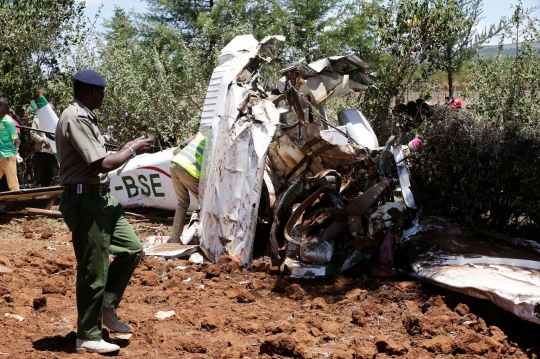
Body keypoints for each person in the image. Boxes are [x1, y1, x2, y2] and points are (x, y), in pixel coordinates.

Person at [56, 69, 153, 354]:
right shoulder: (75, 117)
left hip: (101, 198)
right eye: (102, 92)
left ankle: (106, 306)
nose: (104, 96)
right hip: (85, 201)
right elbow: (102, 164)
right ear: (92, 92)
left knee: (132, 248)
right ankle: (87, 335)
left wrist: (126, 149)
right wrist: (132, 150)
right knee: (93, 270)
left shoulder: (84, 116)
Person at [170, 132, 205, 242]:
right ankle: (206, 239)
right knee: (206, 204)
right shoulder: (215, 142)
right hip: (188, 169)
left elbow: (175, 151)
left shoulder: (200, 134)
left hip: (175, 163)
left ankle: (175, 240)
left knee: (182, 203)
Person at [31, 104, 58, 187]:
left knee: (51, 177)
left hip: (53, 153)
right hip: (41, 153)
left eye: (53, 109)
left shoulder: (57, 121)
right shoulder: (37, 120)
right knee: (38, 176)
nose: (51, 111)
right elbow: (32, 133)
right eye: (49, 109)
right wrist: (43, 140)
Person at [0, 98, 20, 191]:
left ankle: (18, 204)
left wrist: (15, 153)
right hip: (0, 156)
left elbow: (17, 140)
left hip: (8, 156)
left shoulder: (9, 122)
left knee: (13, 185)